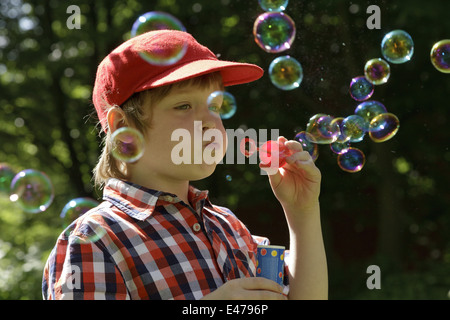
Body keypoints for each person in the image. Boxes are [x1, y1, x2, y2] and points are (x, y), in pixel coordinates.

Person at [42, 29, 327, 300]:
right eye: (183, 106)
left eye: (215, 107)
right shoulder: (94, 240)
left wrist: (302, 213)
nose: (210, 123)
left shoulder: (228, 226)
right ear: (123, 128)